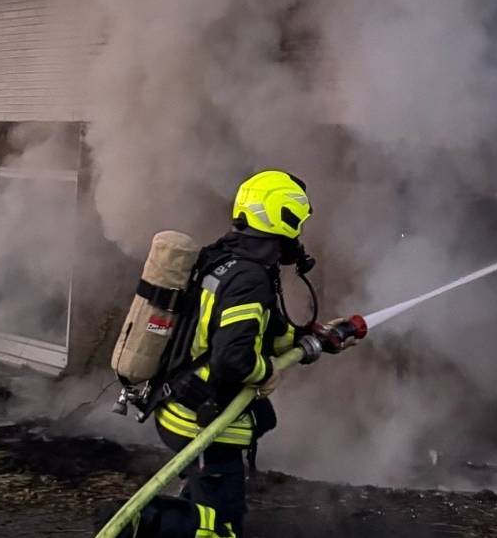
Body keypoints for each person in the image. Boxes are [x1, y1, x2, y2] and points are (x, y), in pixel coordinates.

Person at [126, 170, 355, 538]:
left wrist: (313, 339)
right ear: (284, 219)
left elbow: (265, 335)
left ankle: (168, 519)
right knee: (220, 526)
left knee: (205, 501)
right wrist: (266, 373)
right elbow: (233, 359)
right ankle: (140, 526)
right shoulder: (249, 279)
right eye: (297, 225)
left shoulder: (225, 259)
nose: (299, 237)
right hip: (202, 420)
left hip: (184, 405)